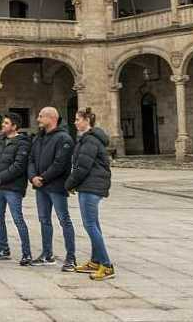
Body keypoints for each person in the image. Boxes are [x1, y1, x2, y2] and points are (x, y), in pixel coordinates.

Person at [65, 107, 115, 281]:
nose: (75, 122)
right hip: (90, 185)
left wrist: (69, 184)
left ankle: (107, 265)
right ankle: (95, 260)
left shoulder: (90, 141)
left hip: (91, 186)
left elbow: (83, 167)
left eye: (78, 119)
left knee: (90, 225)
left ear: (87, 121)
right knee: (94, 224)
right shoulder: (87, 139)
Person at [28, 106, 77, 270]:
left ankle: (71, 257)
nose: (38, 119)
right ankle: (47, 254)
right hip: (40, 187)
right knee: (44, 220)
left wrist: (43, 178)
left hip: (55, 186)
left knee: (64, 220)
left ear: (51, 118)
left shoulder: (64, 139)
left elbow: (60, 163)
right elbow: (31, 160)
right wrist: (33, 177)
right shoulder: (38, 138)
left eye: (41, 116)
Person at [0, 112, 33, 266]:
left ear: (14, 126)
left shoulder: (23, 143)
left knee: (17, 219)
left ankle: (27, 253)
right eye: (3, 123)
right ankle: (3, 249)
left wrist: (1, 177)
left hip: (12, 187)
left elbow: (19, 165)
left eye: (6, 123)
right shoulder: (0, 141)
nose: (3, 125)